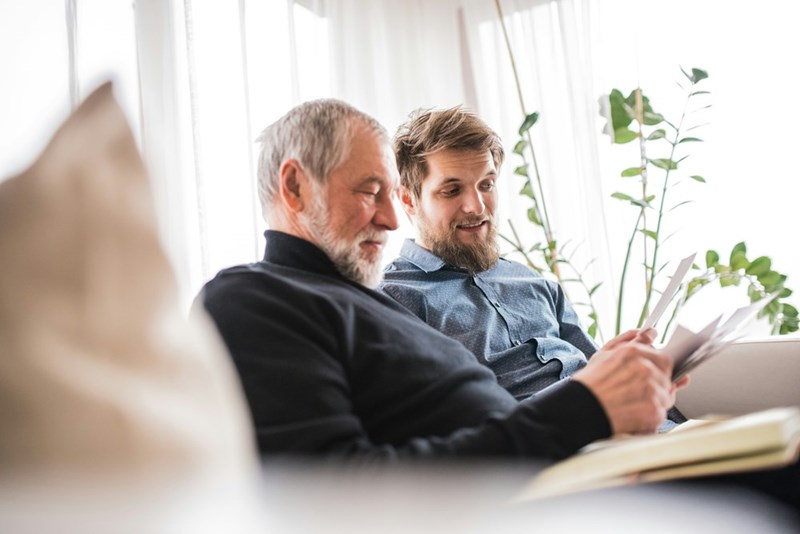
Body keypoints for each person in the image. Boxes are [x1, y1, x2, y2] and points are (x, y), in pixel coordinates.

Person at [197, 98, 677, 462]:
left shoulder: (365, 305)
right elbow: (334, 491)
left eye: (389, 193)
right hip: (563, 478)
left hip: (590, 461)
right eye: (370, 192)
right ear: (295, 187)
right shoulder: (255, 299)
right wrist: (585, 409)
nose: (390, 219)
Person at [380, 107, 686, 429]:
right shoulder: (394, 299)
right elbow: (446, 421)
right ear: (409, 200)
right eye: (452, 190)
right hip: (553, 447)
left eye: (486, 184)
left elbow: (590, 366)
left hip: (637, 429)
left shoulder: (532, 281)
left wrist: (616, 367)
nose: (477, 207)